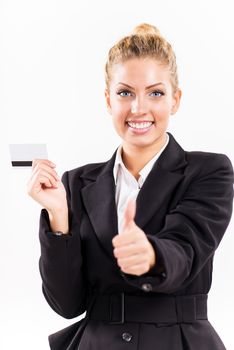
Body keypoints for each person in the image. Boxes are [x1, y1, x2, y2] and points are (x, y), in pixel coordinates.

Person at [27, 23, 233, 350]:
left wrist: (151, 255)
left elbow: (185, 249)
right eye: (125, 93)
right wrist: (58, 218)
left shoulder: (209, 171)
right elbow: (66, 304)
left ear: (175, 100)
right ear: (108, 101)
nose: (138, 108)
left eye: (155, 93)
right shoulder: (76, 183)